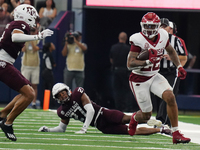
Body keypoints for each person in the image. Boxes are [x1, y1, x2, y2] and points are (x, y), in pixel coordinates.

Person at [126, 12, 190, 144]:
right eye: (147, 26)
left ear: (158, 26)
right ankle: (134, 118)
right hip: (139, 79)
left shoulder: (163, 35)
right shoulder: (137, 39)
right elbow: (130, 64)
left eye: (152, 26)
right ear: (142, 25)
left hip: (154, 75)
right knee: (146, 115)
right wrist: (148, 61)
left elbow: (171, 50)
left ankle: (176, 133)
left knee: (170, 97)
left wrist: (179, 67)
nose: (149, 29)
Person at [0, 4, 53, 141]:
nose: (34, 21)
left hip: (4, 63)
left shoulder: (17, 24)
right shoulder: (20, 23)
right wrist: (39, 36)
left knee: (27, 90)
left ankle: (3, 114)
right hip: (2, 63)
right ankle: (7, 123)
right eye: (33, 18)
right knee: (30, 94)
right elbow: (15, 38)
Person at [38, 82, 172, 136]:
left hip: (103, 114)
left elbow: (90, 110)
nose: (63, 96)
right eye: (60, 95)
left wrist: (83, 128)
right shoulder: (61, 111)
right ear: (57, 98)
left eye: (63, 92)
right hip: (100, 126)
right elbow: (62, 129)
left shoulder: (78, 93)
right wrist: (48, 129)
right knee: (131, 132)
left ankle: (150, 120)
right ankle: (160, 130)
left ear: (67, 90)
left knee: (129, 118)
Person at [154, 18, 187, 127]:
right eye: (161, 26)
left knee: (168, 94)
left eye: (165, 26)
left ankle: (160, 120)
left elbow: (184, 56)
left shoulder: (176, 40)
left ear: (169, 28)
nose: (163, 28)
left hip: (171, 71)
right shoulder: (153, 39)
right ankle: (165, 121)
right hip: (157, 71)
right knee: (159, 96)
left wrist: (173, 58)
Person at [109, 32, 134, 112]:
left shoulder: (113, 47)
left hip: (116, 70)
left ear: (118, 38)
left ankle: (118, 107)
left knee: (117, 90)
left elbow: (111, 60)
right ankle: (127, 107)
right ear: (126, 39)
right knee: (127, 90)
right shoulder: (128, 48)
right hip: (125, 71)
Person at [21, 27, 40, 109]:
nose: (32, 32)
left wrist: (32, 39)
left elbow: (36, 48)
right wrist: (26, 39)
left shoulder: (38, 39)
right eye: (30, 31)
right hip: (26, 65)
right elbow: (23, 49)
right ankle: (23, 101)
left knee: (34, 85)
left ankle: (34, 103)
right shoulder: (25, 39)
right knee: (24, 85)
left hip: (35, 65)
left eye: (33, 31)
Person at [41, 42, 56, 108]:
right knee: (50, 88)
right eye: (52, 44)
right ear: (50, 47)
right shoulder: (49, 54)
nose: (54, 45)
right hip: (48, 72)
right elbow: (53, 64)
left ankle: (44, 104)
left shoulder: (45, 54)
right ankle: (50, 104)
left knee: (45, 88)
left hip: (44, 72)